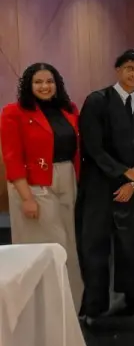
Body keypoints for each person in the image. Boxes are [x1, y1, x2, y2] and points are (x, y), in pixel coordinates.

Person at [77, 48, 134, 319]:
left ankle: (133, 296)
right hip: (99, 186)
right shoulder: (97, 101)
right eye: (129, 68)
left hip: (131, 189)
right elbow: (93, 148)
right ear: (118, 69)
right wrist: (124, 173)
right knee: (95, 248)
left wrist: (133, 182)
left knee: (128, 246)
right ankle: (94, 307)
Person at [1, 63, 84, 312]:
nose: (45, 86)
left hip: (66, 176)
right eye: (38, 82)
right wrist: (26, 198)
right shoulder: (13, 112)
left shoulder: (68, 109)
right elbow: (12, 158)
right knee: (50, 245)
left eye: (49, 81)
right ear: (28, 84)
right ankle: (43, 310)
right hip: (33, 184)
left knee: (69, 243)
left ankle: (71, 307)